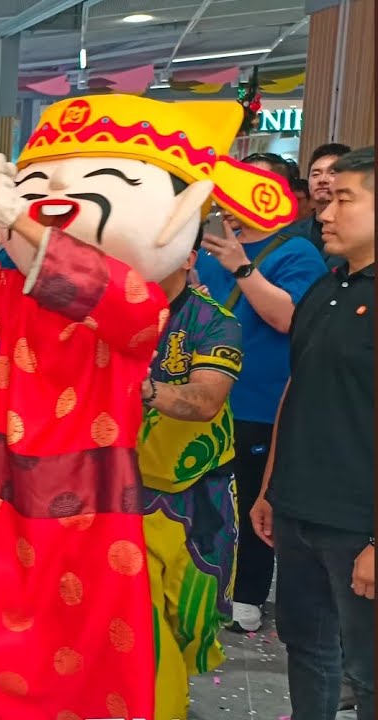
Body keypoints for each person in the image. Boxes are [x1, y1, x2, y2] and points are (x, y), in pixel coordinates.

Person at [0, 96, 294, 719]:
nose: (55, 201)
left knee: (94, 646)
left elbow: (102, 293)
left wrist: (22, 218)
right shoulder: (18, 294)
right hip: (5, 490)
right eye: (37, 186)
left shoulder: (142, 302)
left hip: (95, 498)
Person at [252, 147, 375, 720]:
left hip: (358, 522)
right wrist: (272, 487)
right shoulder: (325, 289)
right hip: (299, 506)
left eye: (346, 199)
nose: (325, 211)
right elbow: (296, 391)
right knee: (307, 646)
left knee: (367, 669)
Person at [196, 154, 328, 633]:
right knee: (204, 497)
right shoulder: (210, 248)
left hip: (259, 399)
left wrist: (242, 267)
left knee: (252, 496)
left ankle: (249, 590)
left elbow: (289, 319)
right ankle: (206, 582)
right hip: (202, 396)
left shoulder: (298, 253)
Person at [137, 235, 243, 719]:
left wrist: (143, 388)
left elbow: (206, 402)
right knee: (143, 618)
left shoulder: (213, 321)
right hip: (127, 491)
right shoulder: (116, 313)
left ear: (187, 258)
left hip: (198, 496)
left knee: (192, 621)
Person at [285, 143, 351, 260]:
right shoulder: (289, 233)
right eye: (315, 174)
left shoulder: (360, 235)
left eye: (332, 173)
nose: (322, 180)